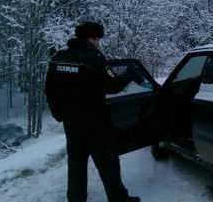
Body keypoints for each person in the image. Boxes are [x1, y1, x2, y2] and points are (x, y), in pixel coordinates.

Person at [44, 21, 143, 202]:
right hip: (95, 124)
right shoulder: (93, 59)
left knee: (76, 164)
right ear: (90, 38)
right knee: (108, 164)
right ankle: (119, 199)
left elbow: (49, 90)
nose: (99, 43)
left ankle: (75, 199)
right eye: (97, 39)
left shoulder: (59, 58)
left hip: (72, 124)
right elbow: (112, 86)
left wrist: (58, 114)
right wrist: (130, 73)